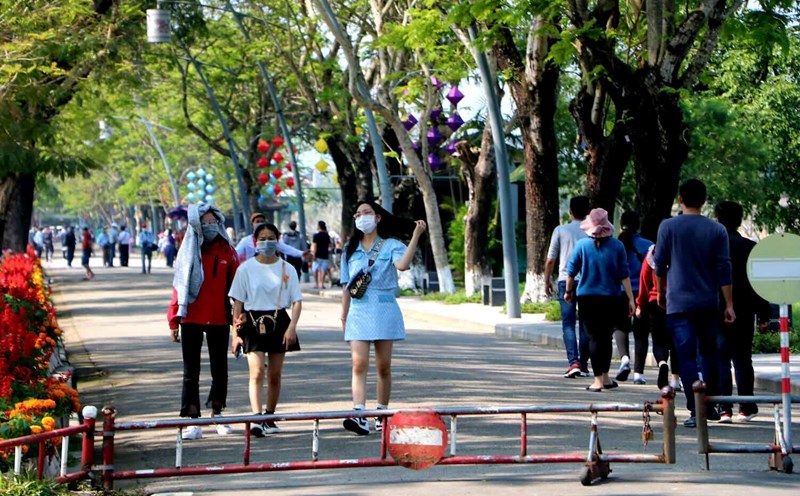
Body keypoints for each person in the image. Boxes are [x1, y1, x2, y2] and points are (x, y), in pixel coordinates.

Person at [340, 200, 426, 435]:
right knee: (358, 363)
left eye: (367, 212)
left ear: (377, 217)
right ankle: (359, 414)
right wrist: (343, 315)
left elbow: (403, 265)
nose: (362, 217)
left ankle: (382, 413)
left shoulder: (391, 245)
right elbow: (346, 285)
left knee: (383, 366)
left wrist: (415, 236)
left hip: (384, 308)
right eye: (358, 214)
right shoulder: (350, 248)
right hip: (358, 310)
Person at [654, 179, 734, 428]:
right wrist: (729, 304)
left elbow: (660, 263)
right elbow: (724, 268)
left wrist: (660, 292)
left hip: (678, 303)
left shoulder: (668, 227)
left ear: (680, 199)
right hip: (708, 303)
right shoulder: (717, 230)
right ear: (704, 200)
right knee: (709, 354)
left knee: (686, 356)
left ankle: (695, 409)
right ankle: (709, 405)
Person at [168, 203, 239, 440]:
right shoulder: (187, 252)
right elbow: (178, 287)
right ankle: (192, 420)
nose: (209, 226)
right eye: (204, 222)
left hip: (219, 318)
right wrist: (173, 320)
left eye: (213, 222)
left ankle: (217, 414)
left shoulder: (228, 251)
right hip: (191, 317)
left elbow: (238, 289)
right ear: (196, 225)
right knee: (191, 372)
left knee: (220, 370)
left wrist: (240, 322)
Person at [229, 222, 303, 437]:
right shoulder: (245, 269)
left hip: (279, 321)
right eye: (262, 239)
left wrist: (292, 327)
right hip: (252, 322)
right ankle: (257, 417)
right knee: (257, 371)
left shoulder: (287, 268)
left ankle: (270, 416)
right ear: (255, 242)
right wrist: (235, 335)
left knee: (275, 374)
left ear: (278, 240)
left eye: (271, 238)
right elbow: (238, 303)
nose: (266, 242)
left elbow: (297, 301)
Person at [715, 201, 772, 423]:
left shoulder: (712, 246)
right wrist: (764, 315)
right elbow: (758, 284)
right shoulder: (750, 247)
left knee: (721, 358)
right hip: (745, 310)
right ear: (739, 221)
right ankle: (746, 406)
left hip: (716, 308)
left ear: (718, 219)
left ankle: (724, 408)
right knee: (742, 359)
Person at [565, 208, 634, 392]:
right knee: (606, 337)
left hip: (587, 298)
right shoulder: (617, 246)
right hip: (611, 298)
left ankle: (597, 381)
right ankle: (605, 377)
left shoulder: (582, 245)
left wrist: (568, 291)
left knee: (594, 338)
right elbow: (624, 275)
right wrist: (631, 299)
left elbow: (571, 272)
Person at [544, 196, 591, 378]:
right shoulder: (592, 231)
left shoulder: (560, 230)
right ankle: (584, 364)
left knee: (568, 324)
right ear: (588, 212)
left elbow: (550, 259)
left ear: (570, 212)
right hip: (587, 281)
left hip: (565, 281)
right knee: (585, 324)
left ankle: (573, 363)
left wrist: (547, 281)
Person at [613, 211, 654, 383]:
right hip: (643, 293)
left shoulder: (615, 245)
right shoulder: (648, 245)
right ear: (638, 225)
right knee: (641, 332)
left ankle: (624, 359)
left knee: (620, 327)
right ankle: (639, 373)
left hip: (620, 292)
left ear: (621, 224)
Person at [636, 244, 681, 391]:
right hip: (677, 301)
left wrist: (640, 304)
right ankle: (675, 379)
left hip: (655, 302)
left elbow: (644, 282)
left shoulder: (651, 255)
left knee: (659, 339)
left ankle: (662, 363)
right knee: (676, 341)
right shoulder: (680, 252)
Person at [236, 212, 308, 262]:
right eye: (257, 221)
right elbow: (236, 253)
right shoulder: (246, 241)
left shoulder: (271, 239)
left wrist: (301, 253)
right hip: (252, 272)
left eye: (262, 221)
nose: (260, 223)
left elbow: (286, 248)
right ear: (252, 225)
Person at [312, 221, 331, 289]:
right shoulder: (327, 236)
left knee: (315, 269)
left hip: (317, 255)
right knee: (323, 270)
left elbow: (315, 246)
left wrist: (314, 255)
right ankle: (322, 284)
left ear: (319, 226)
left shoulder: (316, 236)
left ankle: (316, 284)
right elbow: (329, 245)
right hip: (325, 255)